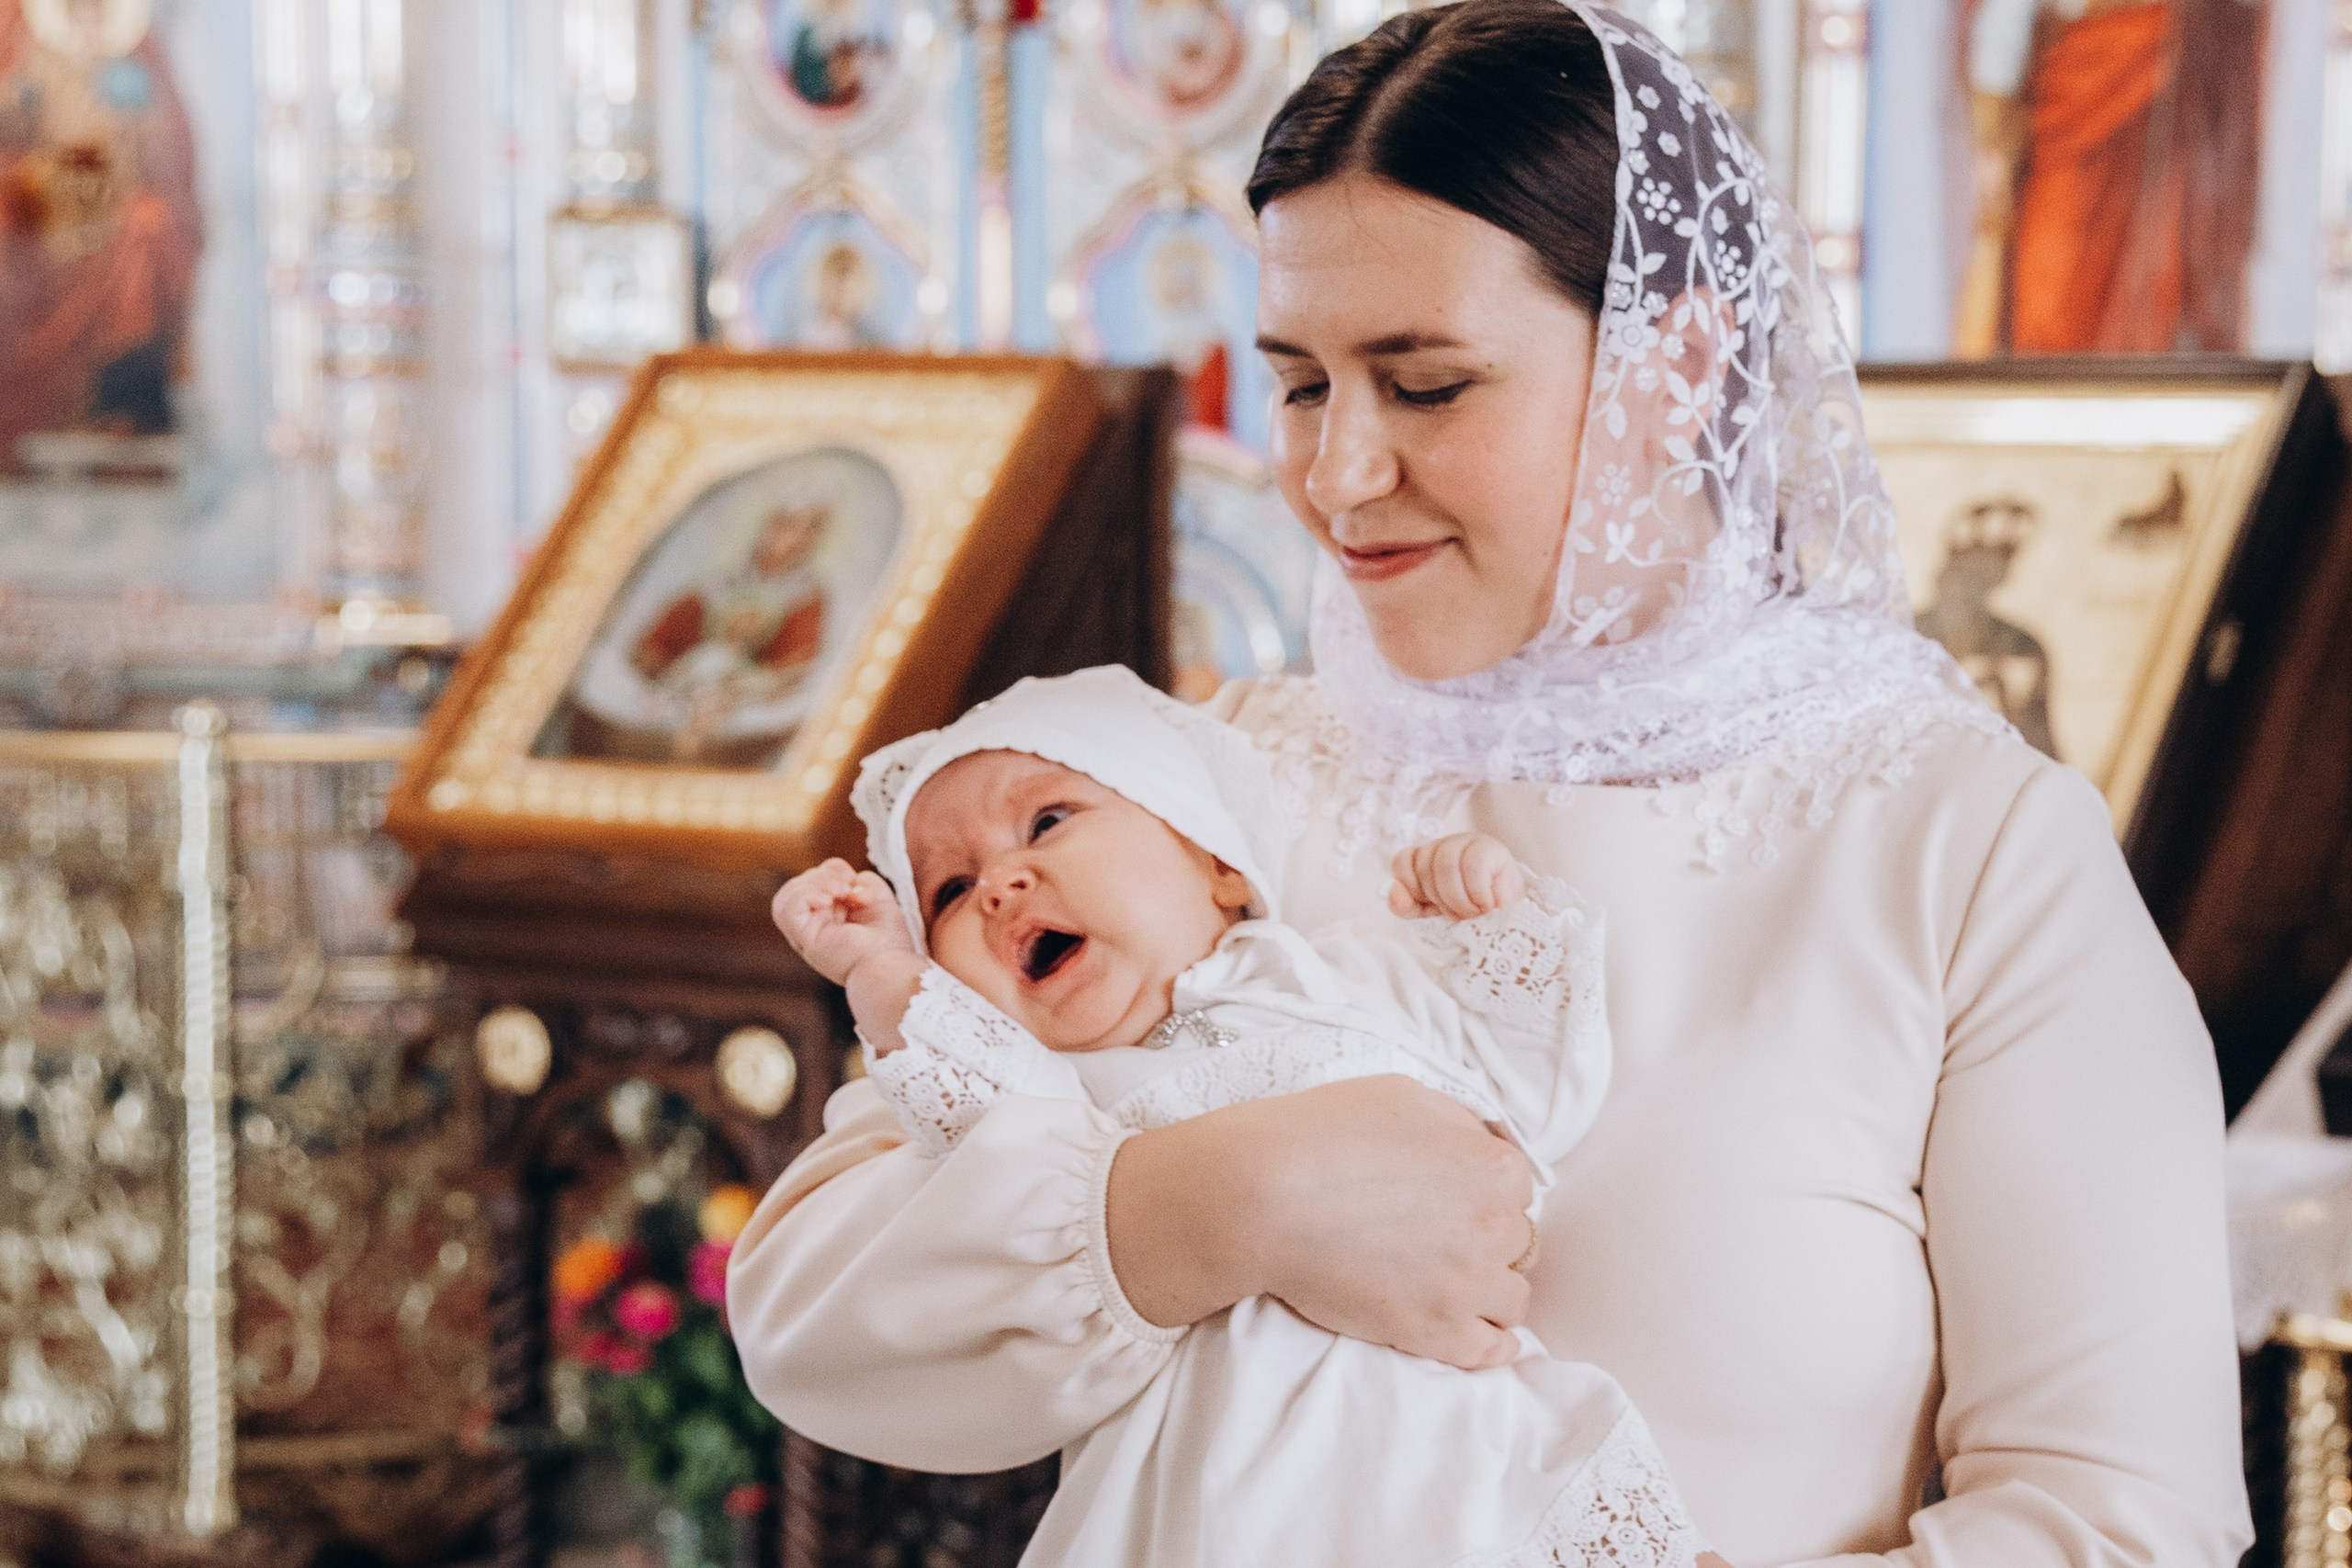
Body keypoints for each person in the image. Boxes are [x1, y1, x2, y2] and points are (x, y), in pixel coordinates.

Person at [729, 6, 2250, 1563]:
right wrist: (1218, 1203)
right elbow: (809, 1308)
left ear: (1678, 365)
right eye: (1302, 384)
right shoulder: (1212, 782)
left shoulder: (1968, 848)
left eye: (1427, 384)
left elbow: (2126, 1520)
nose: (1336, 474)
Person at [772, 665, 1721, 1567]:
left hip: (1461, 1455)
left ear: (1218, 862)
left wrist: (1481, 912)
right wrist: (882, 969)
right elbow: (966, 1108)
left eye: (1047, 821)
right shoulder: (1058, 1099)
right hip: (1227, 1503)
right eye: (947, 890)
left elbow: (1536, 1078)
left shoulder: (1349, 977)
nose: (998, 884)